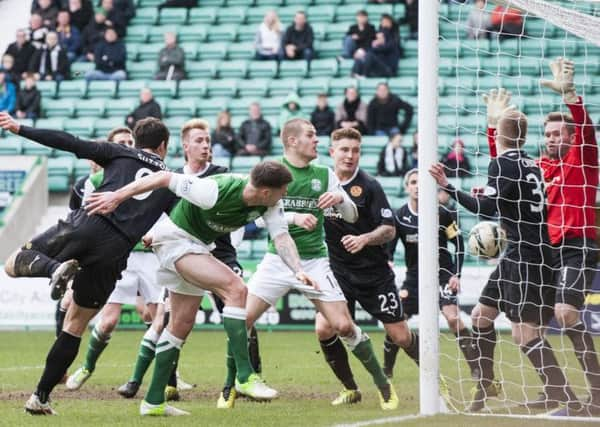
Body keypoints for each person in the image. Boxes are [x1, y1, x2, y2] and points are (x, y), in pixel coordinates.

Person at [84, 157, 311, 416]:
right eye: (283, 190)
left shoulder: (270, 205)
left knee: (181, 324)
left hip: (197, 246)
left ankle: (153, 402)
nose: (286, 195)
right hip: (174, 239)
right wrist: (117, 196)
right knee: (236, 289)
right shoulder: (215, 190)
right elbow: (162, 178)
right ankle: (245, 376)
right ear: (266, 191)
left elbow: (281, 238)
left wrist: (298, 270)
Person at [0, 113, 175, 416]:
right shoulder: (171, 181)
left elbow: (69, 141)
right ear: (163, 146)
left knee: (12, 263)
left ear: (135, 140)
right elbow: (181, 224)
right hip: (116, 252)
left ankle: (54, 269)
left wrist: (20, 128)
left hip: (90, 224)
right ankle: (40, 397)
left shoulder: (120, 151)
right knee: (76, 326)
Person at [429, 96, 582, 414]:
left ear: (500, 134)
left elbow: (487, 206)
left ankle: (565, 396)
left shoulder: (503, 164)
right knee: (481, 317)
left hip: (525, 258)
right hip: (525, 253)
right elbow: (501, 188)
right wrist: (494, 123)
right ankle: (485, 385)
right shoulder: (531, 164)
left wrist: (448, 186)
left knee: (525, 335)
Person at [236, 118, 400, 410]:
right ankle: (234, 384)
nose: (317, 140)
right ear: (292, 141)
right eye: (311, 135)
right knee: (241, 320)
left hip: (314, 262)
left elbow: (350, 216)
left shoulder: (324, 174)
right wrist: (294, 218)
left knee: (342, 325)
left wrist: (340, 198)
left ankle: (382, 385)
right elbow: (259, 217)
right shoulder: (271, 170)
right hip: (277, 260)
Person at [114, 119, 258, 407]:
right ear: (185, 146)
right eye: (200, 140)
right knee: (172, 319)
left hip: (222, 255)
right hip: (183, 252)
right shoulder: (173, 176)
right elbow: (163, 214)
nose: (206, 145)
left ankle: (238, 382)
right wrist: (152, 234)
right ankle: (163, 386)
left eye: (208, 140)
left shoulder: (222, 175)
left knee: (242, 314)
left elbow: (242, 213)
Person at [488, 60, 600, 415]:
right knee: (524, 329)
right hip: (544, 253)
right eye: (548, 134)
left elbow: (586, 130)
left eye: (558, 134)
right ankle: (557, 393)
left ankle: (597, 396)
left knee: (566, 313)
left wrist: (570, 96)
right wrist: (495, 129)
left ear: (569, 137)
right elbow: (507, 171)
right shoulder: (540, 168)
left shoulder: (583, 160)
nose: (552, 138)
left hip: (577, 247)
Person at [314, 127, 416, 407]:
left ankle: (434, 381)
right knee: (324, 329)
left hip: (374, 274)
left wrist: (364, 239)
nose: (350, 156)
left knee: (400, 335)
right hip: (337, 272)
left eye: (355, 150)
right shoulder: (320, 183)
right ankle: (350, 388)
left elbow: (389, 229)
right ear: (332, 152)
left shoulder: (369, 186)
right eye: (344, 150)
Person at [383, 169, 479, 380]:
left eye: (421, 182)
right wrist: (387, 262)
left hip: (442, 276)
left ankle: (476, 369)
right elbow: (388, 250)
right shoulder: (399, 216)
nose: (417, 186)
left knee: (453, 318)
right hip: (414, 279)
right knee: (396, 322)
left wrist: (457, 275)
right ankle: (387, 371)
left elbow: (459, 244)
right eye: (413, 182)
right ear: (407, 187)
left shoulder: (442, 213)